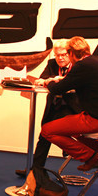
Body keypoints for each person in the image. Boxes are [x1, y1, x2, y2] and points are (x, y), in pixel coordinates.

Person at [39, 36, 98, 171]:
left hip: (97, 120)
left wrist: (49, 82)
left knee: (47, 130)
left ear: (71, 53)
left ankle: (91, 157)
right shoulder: (97, 61)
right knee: (72, 129)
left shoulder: (82, 66)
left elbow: (56, 90)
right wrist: (60, 80)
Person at [15, 39, 81, 176]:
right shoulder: (51, 63)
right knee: (43, 137)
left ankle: (71, 148)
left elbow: (75, 84)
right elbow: (40, 80)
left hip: (72, 107)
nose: (60, 58)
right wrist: (53, 80)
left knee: (52, 132)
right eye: (57, 55)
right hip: (53, 105)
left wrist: (54, 81)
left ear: (70, 54)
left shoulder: (78, 65)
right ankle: (35, 170)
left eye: (63, 55)